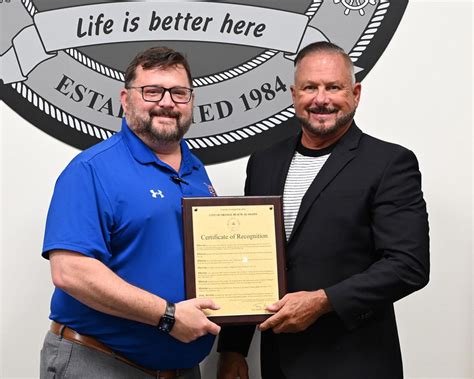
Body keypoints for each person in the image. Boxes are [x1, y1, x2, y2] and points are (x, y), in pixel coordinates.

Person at [216, 41, 430, 379]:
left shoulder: (389, 163)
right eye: (310, 87)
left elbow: (408, 266)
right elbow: (251, 259)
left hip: (355, 362)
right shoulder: (263, 162)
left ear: (356, 93)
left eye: (334, 87)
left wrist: (322, 301)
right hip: (279, 364)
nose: (321, 99)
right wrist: (233, 349)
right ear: (293, 94)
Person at [40, 46, 221, 379]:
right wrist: (168, 316)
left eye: (179, 93)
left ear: (191, 102)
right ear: (125, 99)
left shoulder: (197, 173)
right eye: (152, 91)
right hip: (99, 363)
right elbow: (70, 271)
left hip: (181, 369)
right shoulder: (92, 169)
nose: (167, 102)